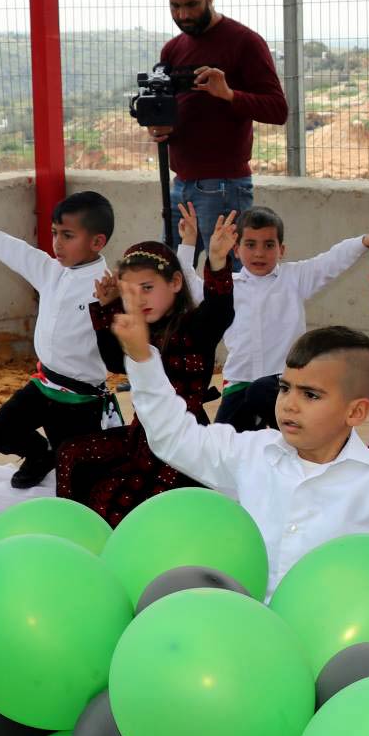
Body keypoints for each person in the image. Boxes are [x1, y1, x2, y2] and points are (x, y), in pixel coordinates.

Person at [112, 322, 369, 595]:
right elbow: (174, 438)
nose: (289, 404)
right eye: (285, 388)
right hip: (244, 634)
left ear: (356, 413)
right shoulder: (253, 453)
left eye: (310, 395)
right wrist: (143, 360)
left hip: (324, 646)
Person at [56, 216, 237, 525]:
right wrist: (107, 307)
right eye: (130, 292)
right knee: (70, 453)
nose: (139, 298)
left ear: (176, 283)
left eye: (148, 287)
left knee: (125, 506)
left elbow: (220, 310)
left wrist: (218, 261)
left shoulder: (195, 327)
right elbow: (114, 362)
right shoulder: (138, 327)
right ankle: (72, 529)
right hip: (139, 437)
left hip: (182, 441)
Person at [174, 202, 369, 432]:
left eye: (268, 245)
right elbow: (187, 286)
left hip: (284, 385)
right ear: (236, 249)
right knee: (224, 445)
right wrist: (188, 242)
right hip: (238, 383)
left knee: (288, 435)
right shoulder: (223, 286)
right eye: (250, 245)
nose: (259, 252)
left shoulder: (295, 278)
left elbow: (332, 260)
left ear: (281, 250)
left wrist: (365, 241)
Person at [0, 191, 114, 487]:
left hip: (81, 401)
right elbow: (7, 247)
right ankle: (40, 454)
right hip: (43, 387)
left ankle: (63, 460)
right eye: (54, 233)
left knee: (81, 483)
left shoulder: (108, 288)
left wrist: (112, 306)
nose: (57, 243)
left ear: (97, 242)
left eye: (68, 235)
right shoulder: (50, 271)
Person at [145, 0, 288, 261]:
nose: (183, 15)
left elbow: (278, 109)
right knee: (167, 277)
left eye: (192, 5)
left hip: (224, 188)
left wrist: (229, 95)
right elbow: (176, 108)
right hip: (179, 184)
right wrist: (161, 126)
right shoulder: (172, 50)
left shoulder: (244, 42)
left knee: (232, 285)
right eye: (175, 6)